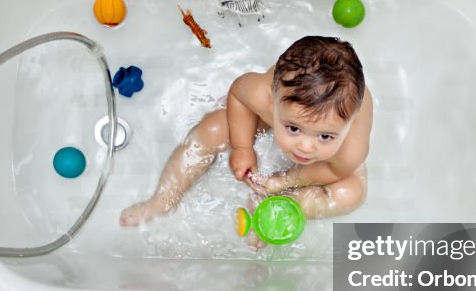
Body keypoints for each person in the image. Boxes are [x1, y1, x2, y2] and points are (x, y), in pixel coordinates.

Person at [120, 35, 372, 227]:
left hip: (331, 160)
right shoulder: (261, 94)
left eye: (324, 136)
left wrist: (287, 181)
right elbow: (237, 94)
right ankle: (161, 200)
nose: (306, 147)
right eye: (294, 129)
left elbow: (335, 168)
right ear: (271, 104)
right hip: (276, 114)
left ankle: (277, 209)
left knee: (351, 194)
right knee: (213, 128)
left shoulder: (351, 146)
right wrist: (242, 147)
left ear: (350, 123)